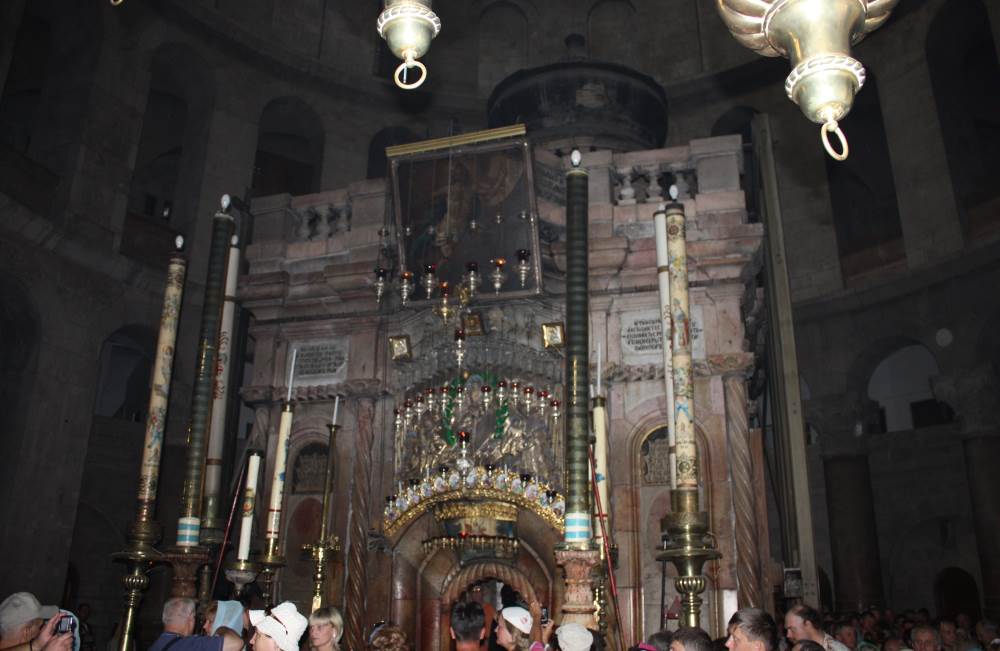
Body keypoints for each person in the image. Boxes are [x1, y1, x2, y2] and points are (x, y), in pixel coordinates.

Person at [151, 598, 243, 651]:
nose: (204, 626)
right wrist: (221, 628)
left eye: (210, 622)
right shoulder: (189, 645)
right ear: (190, 618)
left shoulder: (156, 645)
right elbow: (236, 643)